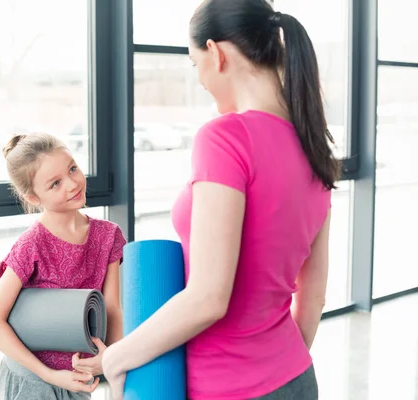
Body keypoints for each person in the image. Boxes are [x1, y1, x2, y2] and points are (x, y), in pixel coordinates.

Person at [102, 0, 340, 399]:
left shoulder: (226, 138)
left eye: (196, 65)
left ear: (216, 53)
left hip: (224, 388)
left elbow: (209, 297)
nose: (201, 80)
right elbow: (312, 296)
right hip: (295, 378)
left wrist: (118, 356)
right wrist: (273, 371)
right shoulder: (315, 151)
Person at [0, 133, 126, 400]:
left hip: (78, 381)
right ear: (34, 198)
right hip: (31, 382)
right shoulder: (31, 245)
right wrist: (49, 375)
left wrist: (110, 357)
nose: (72, 184)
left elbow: (113, 308)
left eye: (73, 169)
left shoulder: (109, 235)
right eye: (55, 184)